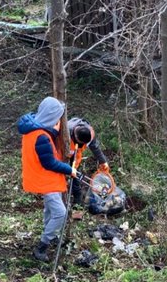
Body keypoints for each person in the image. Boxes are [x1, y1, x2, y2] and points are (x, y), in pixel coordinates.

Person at [17, 96, 80, 262]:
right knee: (60, 213)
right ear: (52, 117)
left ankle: (48, 236)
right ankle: (42, 245)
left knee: (50, 210)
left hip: (44, 178)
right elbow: (49, 163)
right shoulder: (41, 136)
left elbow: (49, 155)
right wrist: (69, 169)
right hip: (45, 179)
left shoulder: (35, 130)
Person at [66, 118, 111, 205]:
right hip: (62, 152)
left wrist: (103, 162)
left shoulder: (90, 134)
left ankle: (77, 201)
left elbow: (95, 148)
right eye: (80, 143)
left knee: (74, 175)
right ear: (75, 136)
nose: (82, 145)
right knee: (62, 174)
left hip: (75, 155)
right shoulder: (65, 132)